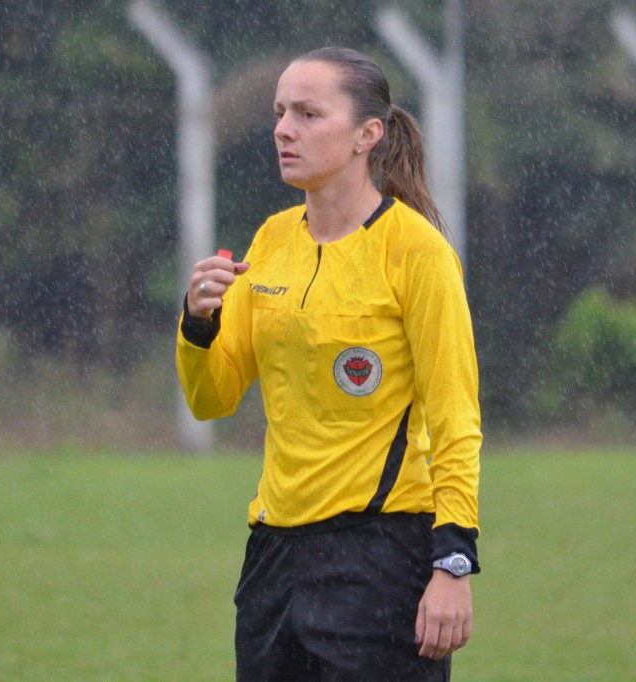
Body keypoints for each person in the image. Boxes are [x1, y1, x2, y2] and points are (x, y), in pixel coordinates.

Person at [176, 46, 482, 681]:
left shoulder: (417, 252)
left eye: (309, 114)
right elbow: (214, 398)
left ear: (367, 135)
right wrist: (198, 325)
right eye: (281, 112)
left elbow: (455, 415)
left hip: (380, 553)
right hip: (272, 559)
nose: (284, 129)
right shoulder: (271, 241)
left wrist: (452, 563)